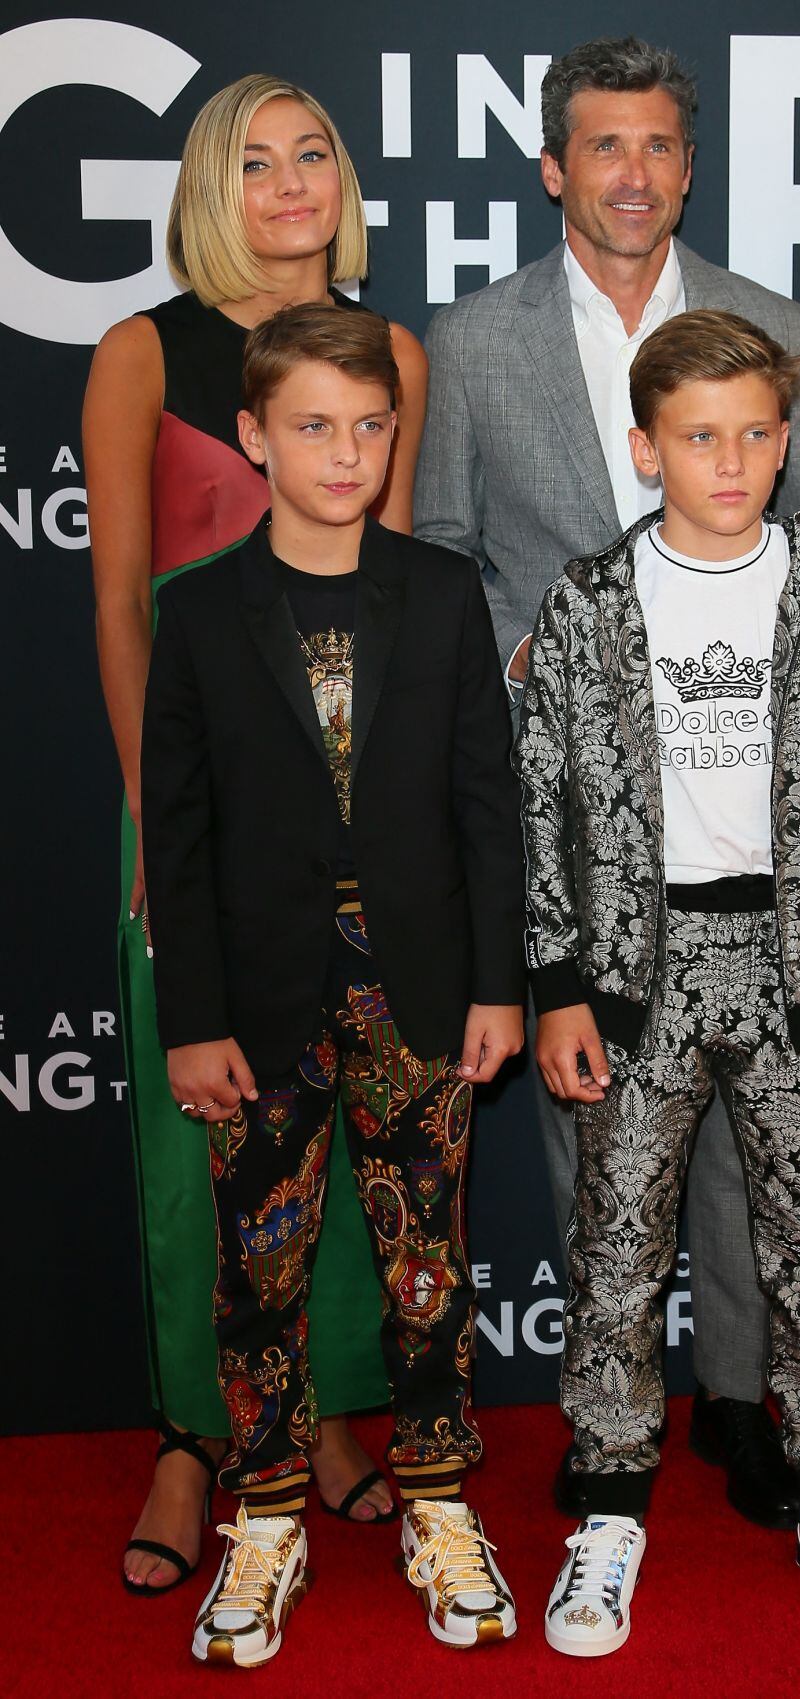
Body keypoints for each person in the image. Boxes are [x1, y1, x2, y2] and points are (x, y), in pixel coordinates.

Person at [415, 36, 800, 1529]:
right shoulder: (470, 345)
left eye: (659, 146)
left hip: (739, 789)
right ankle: (614, 1414)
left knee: (748, 1103)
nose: (634, 174)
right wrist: (515, 665)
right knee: (596, 1097)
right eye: (605, 146)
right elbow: (446, 553)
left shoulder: (775, 322)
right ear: (554, 167)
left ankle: (740, 1392)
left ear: (685, 163)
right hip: (570, 810)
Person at [515, 308, 800, 1656]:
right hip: (638, 972)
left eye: (758, 433)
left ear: (785, 442)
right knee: (618, 1247)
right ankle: (609, 1509)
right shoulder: (589, 601)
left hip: (794, 966)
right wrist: (559, 983)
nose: (732, 459)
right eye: (701, 437)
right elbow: (545, 802)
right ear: (647, 448)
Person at [83, 74, 429, 1592]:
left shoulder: (390, 352)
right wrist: (169, 823)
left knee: (351, 1109)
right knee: (199, 1124)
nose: (289, 184)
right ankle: (189, 1435)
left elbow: (397, 591)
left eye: (312, 157)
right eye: (254, 162)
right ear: (212, 190)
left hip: (353, 804)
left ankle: (327, 1416)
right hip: (197, 808)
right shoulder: (139, 352)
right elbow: (118, 601)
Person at [140, 304, 525, 1665]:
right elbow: (173, 839)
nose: (347, 451)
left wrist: (499, 982)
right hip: (254, 997)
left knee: (429, 1258)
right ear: (252, 436)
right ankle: (267, 1514)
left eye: (371, 426)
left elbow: (490, 802)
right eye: (313, 425)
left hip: (418, 984)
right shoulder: (193, 616)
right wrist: (190, 1019)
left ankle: (435, 1497)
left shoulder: (440, 594)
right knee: (261, 1270)